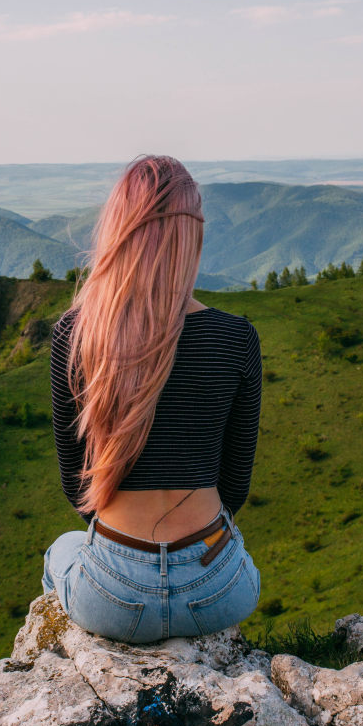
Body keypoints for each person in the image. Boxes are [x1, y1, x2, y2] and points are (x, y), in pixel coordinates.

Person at [42, 154, 262, 643]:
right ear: (193, 235)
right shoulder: (236, 338)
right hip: (218, 588)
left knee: (62, 549)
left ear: (119, 229)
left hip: (113, 596)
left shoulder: (75, 336)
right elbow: (235, 486)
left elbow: (76, 485)